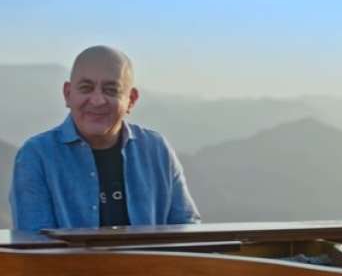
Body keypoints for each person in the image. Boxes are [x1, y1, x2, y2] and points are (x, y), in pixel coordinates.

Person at [10, 45, 201, 231]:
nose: (97, 101)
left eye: (111, 90)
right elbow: (35, 242)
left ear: (131, 99)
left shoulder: (156, 150)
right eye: (86, 88)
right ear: (68, 94)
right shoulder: (38, 156)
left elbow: (186, 228)